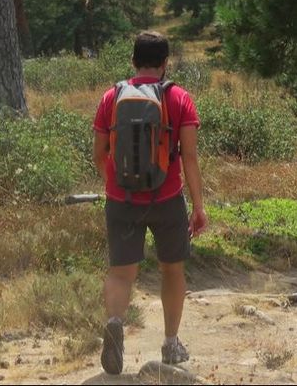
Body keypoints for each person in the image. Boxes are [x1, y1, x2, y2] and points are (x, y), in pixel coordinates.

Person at [92, 31, 208, 375]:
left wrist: (115, 184)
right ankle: (171, 344)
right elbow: (190, 157)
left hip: (121, 198)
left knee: (121, 272)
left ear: (132, 61)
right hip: (168, 197)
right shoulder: (179, 98)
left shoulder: (111, 97)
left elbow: (99, 153)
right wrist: (199, 207)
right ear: (165, 63)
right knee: (172, 268)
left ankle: (115, 322)